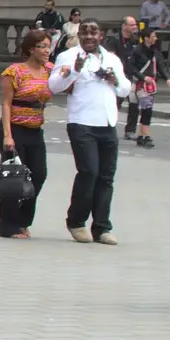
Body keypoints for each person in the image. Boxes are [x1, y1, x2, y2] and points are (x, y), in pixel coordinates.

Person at [47, 19, 133, 244]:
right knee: (89, 172)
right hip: (81, 121)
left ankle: (102, 227)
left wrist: (113, 79)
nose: (88, 36)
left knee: (106, 177)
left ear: (101, 35)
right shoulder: (67, 56)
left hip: (107, 122)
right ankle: (76, 221)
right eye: (84, 32)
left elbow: (125, 88)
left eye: (93, 32)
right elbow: (53, 86)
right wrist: (73, 72)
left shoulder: (111, 59)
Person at [0, 29, 54, 239]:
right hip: (15, 128)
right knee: (14, 177)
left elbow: (64, 85)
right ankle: (8, 225)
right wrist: (7, 135)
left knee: (39, 174)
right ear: (31, 49)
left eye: (49, 46)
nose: (47, 50)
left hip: (35, 128)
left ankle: (23, 220)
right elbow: (5, 103)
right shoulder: (15, 71)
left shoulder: (50, 70)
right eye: (42, 46)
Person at [124, 29, 170, 147]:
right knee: (147, 109)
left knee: (147, 109)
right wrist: (142, 77)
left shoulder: (155, 52)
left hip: (150, 85)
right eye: (153, 36)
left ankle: (141, 136)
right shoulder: (136, 51)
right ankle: (146, 136)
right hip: (140, 84)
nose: (155, 38)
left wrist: (167, 78)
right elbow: (130, 68)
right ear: (146, 38)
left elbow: (161, 65)